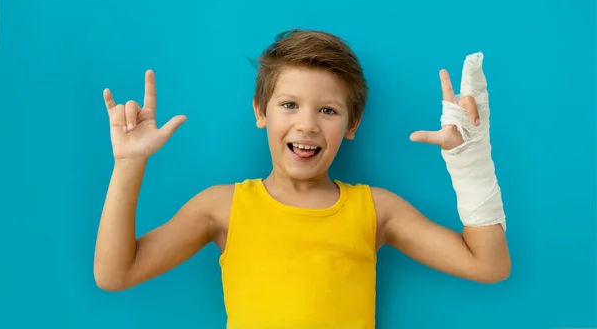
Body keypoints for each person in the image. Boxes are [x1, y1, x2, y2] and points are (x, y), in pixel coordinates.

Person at [94, 29, 510, 328]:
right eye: (289, 104)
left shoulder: (377, 210)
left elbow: (489, 265)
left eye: (327, 110)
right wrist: (129, 164)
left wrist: (468, 159)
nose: (307, 125)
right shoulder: (221, 207)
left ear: (352, 123)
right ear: (261, 111)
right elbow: (115, 274)